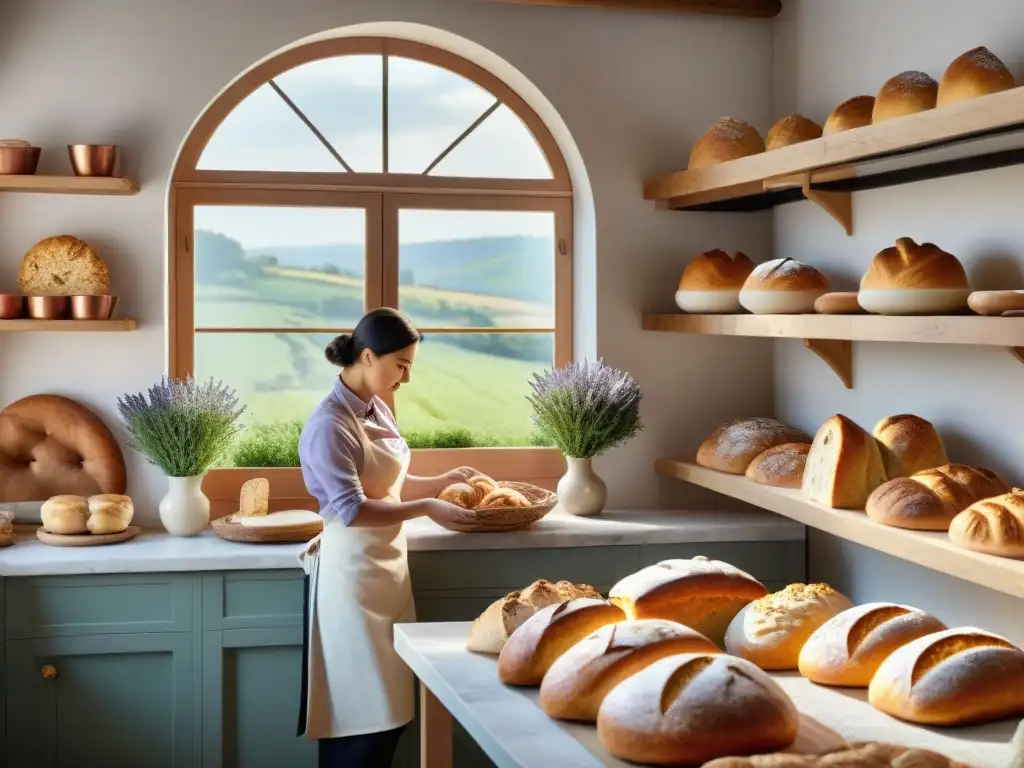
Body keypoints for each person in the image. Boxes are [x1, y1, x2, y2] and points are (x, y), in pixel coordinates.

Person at [295, 307, 478, 768]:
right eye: (402, 365)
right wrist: (428, 508)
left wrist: (439, 481)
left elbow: (390, 485)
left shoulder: (376, 407)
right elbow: (353, 510)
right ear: (369, 356)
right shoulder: (329, 425)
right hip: (351, 583)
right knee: (363, 716)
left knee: (393, 711)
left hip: (388, 576)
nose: (406, 378)